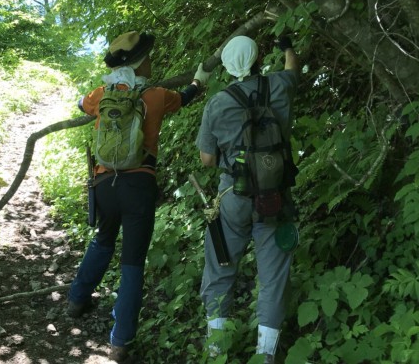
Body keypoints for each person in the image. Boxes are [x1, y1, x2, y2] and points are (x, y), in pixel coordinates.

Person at [67, 31, 212, 362]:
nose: (151, 60)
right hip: (139, 186)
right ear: (139, 62)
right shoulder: (157, 95)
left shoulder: (101, 93)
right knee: (132, 261)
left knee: (103, 239)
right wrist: (199, 81)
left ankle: (76, 299)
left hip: (104, 184)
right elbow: (186, 96)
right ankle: (119, 341)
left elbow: (81, 104)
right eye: (147, 56)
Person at [195, 35, 300, 364]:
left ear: (226, 67)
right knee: (273, 279)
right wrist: (286, 47)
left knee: (220, 269)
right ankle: (265, 355)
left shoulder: (218, 103)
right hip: (274, 197)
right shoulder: (280, 85)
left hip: (234, 197)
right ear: (257, 59)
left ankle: (217, 348)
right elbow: (293, 69)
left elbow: (207, 160)